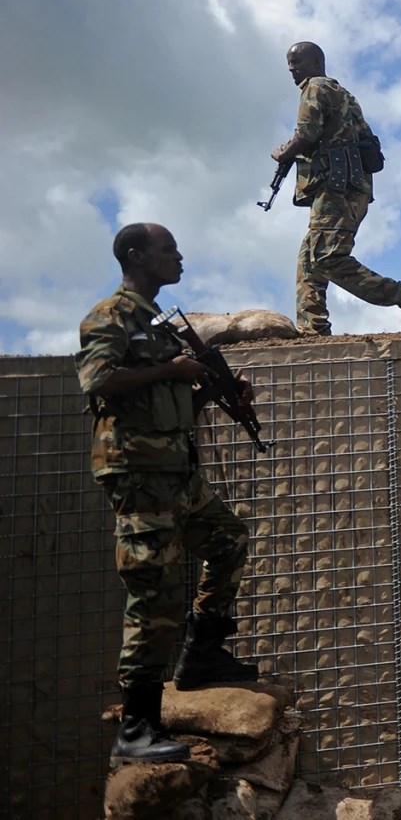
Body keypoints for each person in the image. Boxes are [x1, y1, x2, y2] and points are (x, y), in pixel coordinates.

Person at [77, 223, 262, 763]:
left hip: (177, 474)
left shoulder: (160, 328)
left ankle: (202, 653)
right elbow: (97, 380)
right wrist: (172, 369)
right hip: (138, 475)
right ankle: (136, 728)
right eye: (168, 250)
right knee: (152, 593)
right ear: (136, 257)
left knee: (228, 539)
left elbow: (166, 401)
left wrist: (208, 386)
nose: (179, 258)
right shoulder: (110, 316)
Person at [271, 41, 401, 335]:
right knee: (309, 257)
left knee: (327, 257)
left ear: (316, 63)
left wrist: (283, 152)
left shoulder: (315, 87)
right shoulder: (342, 93)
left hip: (338, 187)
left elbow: (306, 134)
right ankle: (313, 327)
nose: (292, 69)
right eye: (289, 64)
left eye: (298, 62)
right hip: (347, 186)